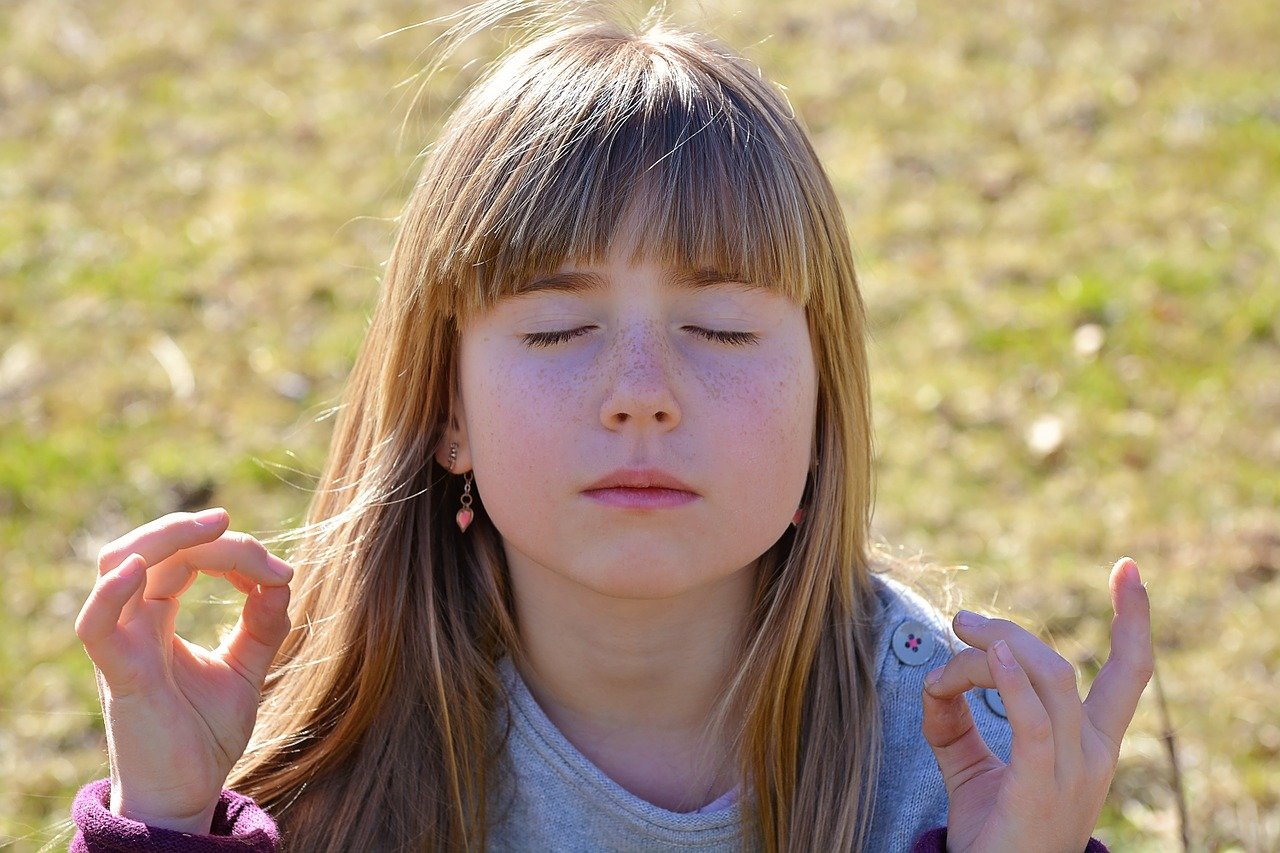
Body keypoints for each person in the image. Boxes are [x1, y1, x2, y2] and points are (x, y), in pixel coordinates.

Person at [69, 2, 1153, 850]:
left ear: (826, 400)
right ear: (447, 407)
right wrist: (166, 817)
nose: (641, 391)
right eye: (555, 330)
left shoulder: (960, 763)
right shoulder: (303, 753)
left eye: (720, 328)